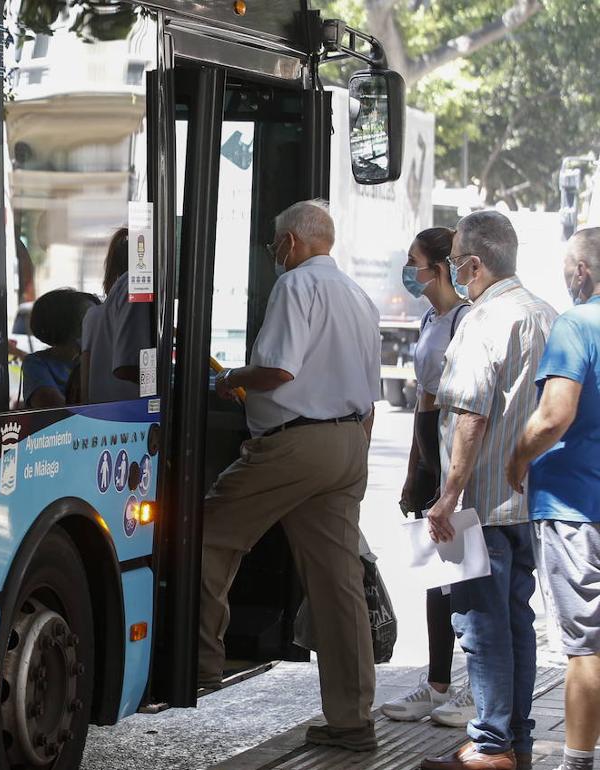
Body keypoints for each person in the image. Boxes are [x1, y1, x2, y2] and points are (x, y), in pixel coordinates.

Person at [200, 200, 381, 752]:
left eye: (275, 241)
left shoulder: (296, 286)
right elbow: (369, 394)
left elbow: (279, 369)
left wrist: (230, 377)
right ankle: (352, 721)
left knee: (204, 533)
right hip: (349, 442)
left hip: (295, 443)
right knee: (337, 583)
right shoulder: (359, 295)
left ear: (293, 243)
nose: (274, 251)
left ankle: (199, 665)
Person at [420, 211, 557, 770]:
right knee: (517, 619)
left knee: (479, 624)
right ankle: (515, 739)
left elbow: (470, 413)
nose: (453, 271)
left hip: (483, 503)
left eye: (455, 262)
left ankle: (491, 743)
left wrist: (448, 493)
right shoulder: (547, 316)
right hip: (532, 501)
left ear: (475, 265)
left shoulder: (483, 320)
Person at [506, 228, 600, 770]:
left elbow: (553, 414)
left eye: (568, 267)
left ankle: (577, 763)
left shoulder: (577, 323)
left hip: (576, 507)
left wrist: (517, 457)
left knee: (586, 646)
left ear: (582, 272)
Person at [381, 227, 475, 725]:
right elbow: (423, 396)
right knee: (434, 573)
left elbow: (462, 402)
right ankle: (438, 681)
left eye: (414, 261)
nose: (409, 270)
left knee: (465, 573)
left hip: (455, 451)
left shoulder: (465, 320)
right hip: (429, 450)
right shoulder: (428, 319)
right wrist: (415, 470)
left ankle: (476, 686)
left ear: (438, 269)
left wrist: (451, 475)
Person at [81, 228, 154, 403]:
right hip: (133, 416)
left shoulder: (96, 313)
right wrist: (166, 385)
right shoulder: (136, 285)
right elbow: (127, 367)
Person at [22, 289, 98, 408]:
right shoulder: (36, 363)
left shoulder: (100, 360)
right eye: (87, 321)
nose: (97, 326)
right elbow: (51, 407)